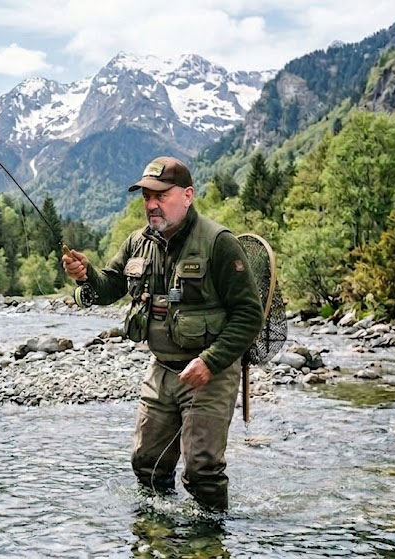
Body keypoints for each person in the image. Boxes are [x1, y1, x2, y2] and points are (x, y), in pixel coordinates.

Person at [62, 156, 263, 511]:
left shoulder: (218, 242)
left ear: (187, 195)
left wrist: (211, 362)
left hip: (209, 373)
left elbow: (249, 315)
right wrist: (86, 275)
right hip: (161, 369)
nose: (151, 204)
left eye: (161, 195)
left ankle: (211, 535)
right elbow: (108, 289)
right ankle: (159, 532)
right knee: (147, 466)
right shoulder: (137, 242)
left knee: (202, 472)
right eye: (146, 196)